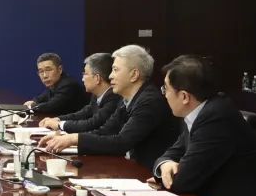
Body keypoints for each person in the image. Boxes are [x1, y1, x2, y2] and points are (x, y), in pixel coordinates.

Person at [152, 55, 256, 196]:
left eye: (166, 88)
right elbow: (172, 153)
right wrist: (165, 164)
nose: (164, 95)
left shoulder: (216, 118)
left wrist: (169, 172)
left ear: (184, 97)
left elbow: (183, 181)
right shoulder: (200, 112)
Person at [43, 44, 179, 169]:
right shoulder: (127, 99)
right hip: (130, 168)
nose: (110, 76)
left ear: (134, 75)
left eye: (115, 70)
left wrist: (74, 139)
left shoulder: (149, 101)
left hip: (147, 174)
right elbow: (106, 130)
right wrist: (68, 138)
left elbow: (122, 142)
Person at [40, 52, 121, 133]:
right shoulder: (96, 95)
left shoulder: (113, 98)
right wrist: (57, 119)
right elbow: (83, 114)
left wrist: (59, 124)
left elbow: (92, 123)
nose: (82, 79)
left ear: (97, 78)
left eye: (85, 74)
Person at [22, 53, 87, 116]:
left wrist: (31, 107)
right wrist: (34, 102)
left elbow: (51, 106)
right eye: (41, 71)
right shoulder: (54, 84)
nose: (45, 76)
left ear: (60, 69)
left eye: (48, 70)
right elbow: (43, 97)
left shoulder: (68, 85)